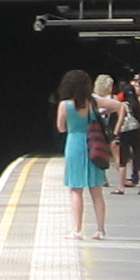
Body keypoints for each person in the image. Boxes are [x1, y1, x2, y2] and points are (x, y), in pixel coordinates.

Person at [54, 68, 109, 240]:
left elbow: (61, 128)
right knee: (96, 191)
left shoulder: (64, 105)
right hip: (93, 144)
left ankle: (77, 230)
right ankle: (100, 230)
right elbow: (118, 106)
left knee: (76, 190)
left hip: (74, 144)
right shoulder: (93, 102)